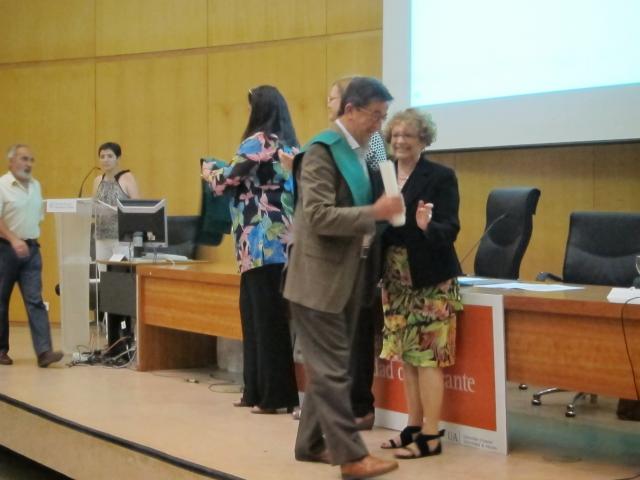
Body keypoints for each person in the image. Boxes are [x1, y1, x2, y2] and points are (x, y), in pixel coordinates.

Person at [284, 77, 402, 478]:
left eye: (383, 117)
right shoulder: (322, 151)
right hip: (317, 279)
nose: (379, 125)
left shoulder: (357, 153)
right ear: (350, 110)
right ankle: (351, 457)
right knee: (333, 370)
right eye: (375, 116)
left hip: (346, 276)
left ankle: (310, 443)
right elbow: (318, 216)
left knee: (331, 367)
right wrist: (375, 212)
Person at [202, 85, 299, 414]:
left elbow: (225, 180)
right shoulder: (290, 144)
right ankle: (255, 391)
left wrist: (208, 171)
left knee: (264, 320)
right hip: (275, 240)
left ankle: (275, 396)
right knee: (259, 316)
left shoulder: (259, 141)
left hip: (261, 240)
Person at [378, 108, 463, 459]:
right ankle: (412, 426)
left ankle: (431, 435)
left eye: (408, 136)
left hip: (429, 279)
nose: (400, 141)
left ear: (423, 141)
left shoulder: (440, 177)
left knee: (427, 358)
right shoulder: (383, 174)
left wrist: (428, 226)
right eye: (395, 135)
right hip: (394, 278)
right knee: (407, 357)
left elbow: (451, 228)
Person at [0, 144, 64, 368]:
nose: (28, 164)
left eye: (31, 159)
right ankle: (1, 350)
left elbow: (38, 216)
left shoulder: (36, 186)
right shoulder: (2, 185)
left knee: (35, 300)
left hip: (31, 250)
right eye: (23, 159)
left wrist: (27, 240)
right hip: (5, 249)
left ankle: (44, 352)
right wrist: (13, 239)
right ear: (11, 162)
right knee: (1, 300)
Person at [92, 142, 140, 261]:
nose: (105, 160)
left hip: (122, 238)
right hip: (101, 236)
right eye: (102, 156)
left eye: (110, 156)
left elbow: (138, 208)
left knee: (121, 271)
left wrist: (115, 210)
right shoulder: (97, 180)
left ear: (118, 158)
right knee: (102, 271)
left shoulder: (127, 178)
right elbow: (93, 207)